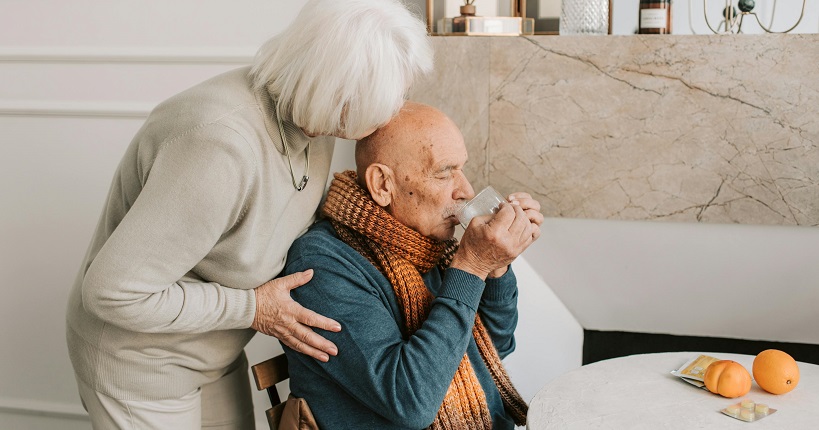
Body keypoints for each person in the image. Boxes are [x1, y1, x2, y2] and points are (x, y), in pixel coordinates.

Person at [65, 1, 432, 428]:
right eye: (391, 96)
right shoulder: (219, 148)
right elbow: (112, 294)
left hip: (213, 350)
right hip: (141, 365)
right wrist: (253, 308)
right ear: (340, 92)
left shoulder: (317, 122)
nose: (396, 109)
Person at [281, 102, 544, 429]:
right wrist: (472, 266)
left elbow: (493, 349)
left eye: (461, 169)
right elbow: (411, 401)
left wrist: (496, 267)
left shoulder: (427, 245)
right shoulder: (321, 266)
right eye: (445, 172)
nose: (466, 190)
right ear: (382, 185)